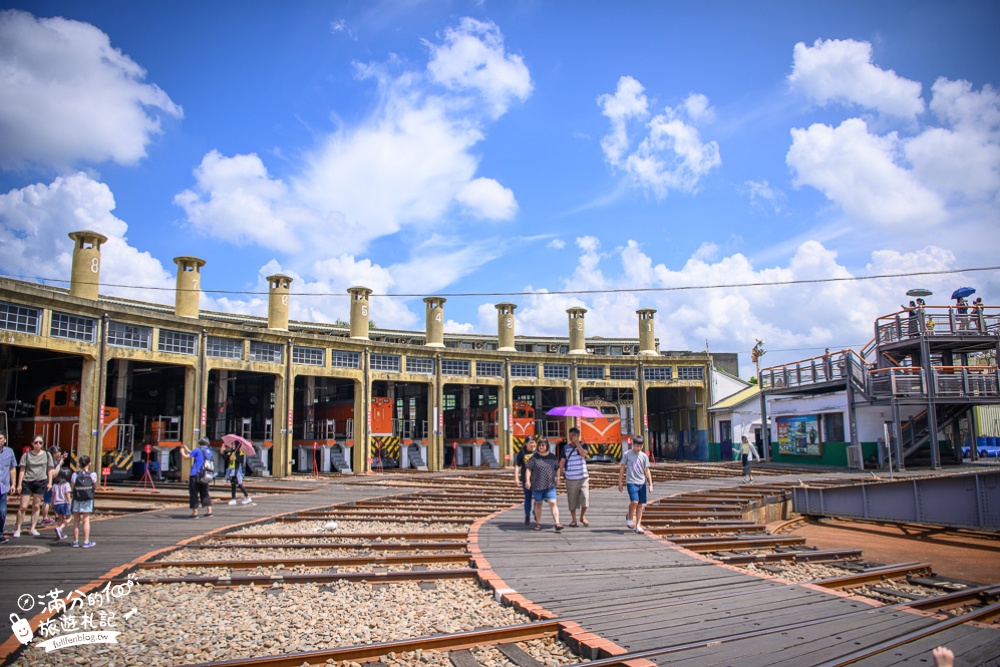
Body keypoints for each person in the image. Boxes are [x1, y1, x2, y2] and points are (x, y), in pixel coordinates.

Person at [12, 436, 54, 538]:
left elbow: (50, 469)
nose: (38, 444)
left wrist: (50, 482)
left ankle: (33, 528)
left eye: (40, 442)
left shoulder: (47, 455)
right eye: (36, 442)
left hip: (40, 481)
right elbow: (22, 470)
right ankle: (18, 529)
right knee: (23, 506)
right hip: (27, 481)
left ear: (43, 444)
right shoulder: (26, 455)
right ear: (32, 443)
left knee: (36, 505)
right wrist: (19, 484)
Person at [524, 438, 562, 531]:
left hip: (550, 484)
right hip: (537, 484)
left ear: (547, 446)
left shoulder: (552, 457)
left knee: (553, 502)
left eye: (543, 445)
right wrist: (527, 480)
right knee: (538, 504)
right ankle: (538, 523)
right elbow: (528, 469)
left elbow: (557, 468)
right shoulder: (534, 457)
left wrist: (558, 477)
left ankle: (557, 523)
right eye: (540, 445)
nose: (541, 447)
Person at [618, 436, 653, 534]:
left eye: (640, 446)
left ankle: (638, 525)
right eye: (637, 446)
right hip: (631, 481)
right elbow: (622, 468)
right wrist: (620, 482)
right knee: (634, 501)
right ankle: (629, 516)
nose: (638, 448)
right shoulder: (627, 454)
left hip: (641, 482)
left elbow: (647, 470)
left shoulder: (644, 456)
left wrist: (650, 484)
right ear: (632, 445)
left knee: (640, 504)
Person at [558, 427, 590, 527]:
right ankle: (574, 519)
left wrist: (577, 444)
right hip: (570, 477)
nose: (571, 437)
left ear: (578, 435)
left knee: (585, 497)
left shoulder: (584, 445)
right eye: (570, 435)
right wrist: (558, 475)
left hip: (583, 476)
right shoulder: (566, 448)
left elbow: (584, 454)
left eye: (574, 435)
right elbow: (562, 462)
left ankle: (582, 516)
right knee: (572, 499)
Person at [180, 437, 215, 518]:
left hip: (195, 474)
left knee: (194, 493)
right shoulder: (209, 451)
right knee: (205, 492)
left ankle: (195, 513)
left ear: (199, 443)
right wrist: (187, 449)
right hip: (205, 475)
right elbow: (194, 454)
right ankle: (209, 511)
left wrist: (182, 451)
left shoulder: (197, 449)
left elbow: (186, 457)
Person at [70, 455, 97, 548]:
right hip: (87, 499)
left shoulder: (75, 475)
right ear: (89, 463)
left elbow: (72, 487)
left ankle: (75, 541)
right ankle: (86, 541)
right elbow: (95, 486)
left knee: (76, 520)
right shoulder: (92, 474)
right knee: (86, 520)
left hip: (77, 498)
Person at [512, 436, 537, 525]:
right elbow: (517, 465)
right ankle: (527, 516)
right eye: (530, 442)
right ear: (526, 444)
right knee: (528, 498)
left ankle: (536, 511)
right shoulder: (522, 453)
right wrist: (516, 478)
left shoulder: (538, 452)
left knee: (538, 498)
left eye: (533, 442)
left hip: (537, 480)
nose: (532, 444)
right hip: (526, 479)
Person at [0, 432, 16, 544]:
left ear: (4, 440)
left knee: (2, 512)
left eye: (0, 438)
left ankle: (0, 534)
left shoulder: (9, 452)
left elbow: (12, 468)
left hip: (3, 486)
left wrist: (14, 484)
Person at [224, 440, 252, 505]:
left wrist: (235, 458)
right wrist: (222, 451)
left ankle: (247, 497)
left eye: (233, 444)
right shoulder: (231, 452)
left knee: (239, 484)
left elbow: (241, 461)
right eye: (232, 444)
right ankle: (233, 499)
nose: (232, 446)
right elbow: (225, 458)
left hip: (236, 470)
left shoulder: (240, 452)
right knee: (233, 484)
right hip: (231, 470)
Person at [50, 468, 72, 541]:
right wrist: (70, 503)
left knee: (60, 518)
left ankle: (59, 533)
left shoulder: (55, 484)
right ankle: (59, 528)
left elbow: (52, 496)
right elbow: (67, 495)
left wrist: (52, 504)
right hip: (64, 503)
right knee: (69, 518)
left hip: (56, 504)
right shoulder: (66, 484)